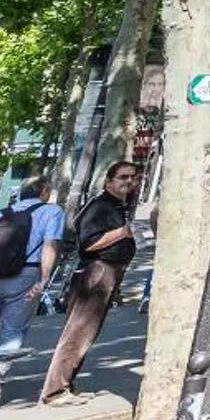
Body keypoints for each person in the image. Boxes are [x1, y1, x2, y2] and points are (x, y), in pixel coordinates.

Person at [39, 160, 141, 406]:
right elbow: (88, 242)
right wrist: (123, 233)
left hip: (106, 272)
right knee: (78, 332)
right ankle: (54, 391)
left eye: (133, 178)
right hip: (98, 273)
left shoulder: (115, 205)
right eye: (123, 177)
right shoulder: (101, 207)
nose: (129, 182)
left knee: (85, 333)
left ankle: (64, 384)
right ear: (109, 182)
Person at [0, 177, 63, 360]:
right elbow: (50, 246)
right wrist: (44, 280)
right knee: (13, 331)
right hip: (25, 275)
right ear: (44, 191)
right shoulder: (52, 211)